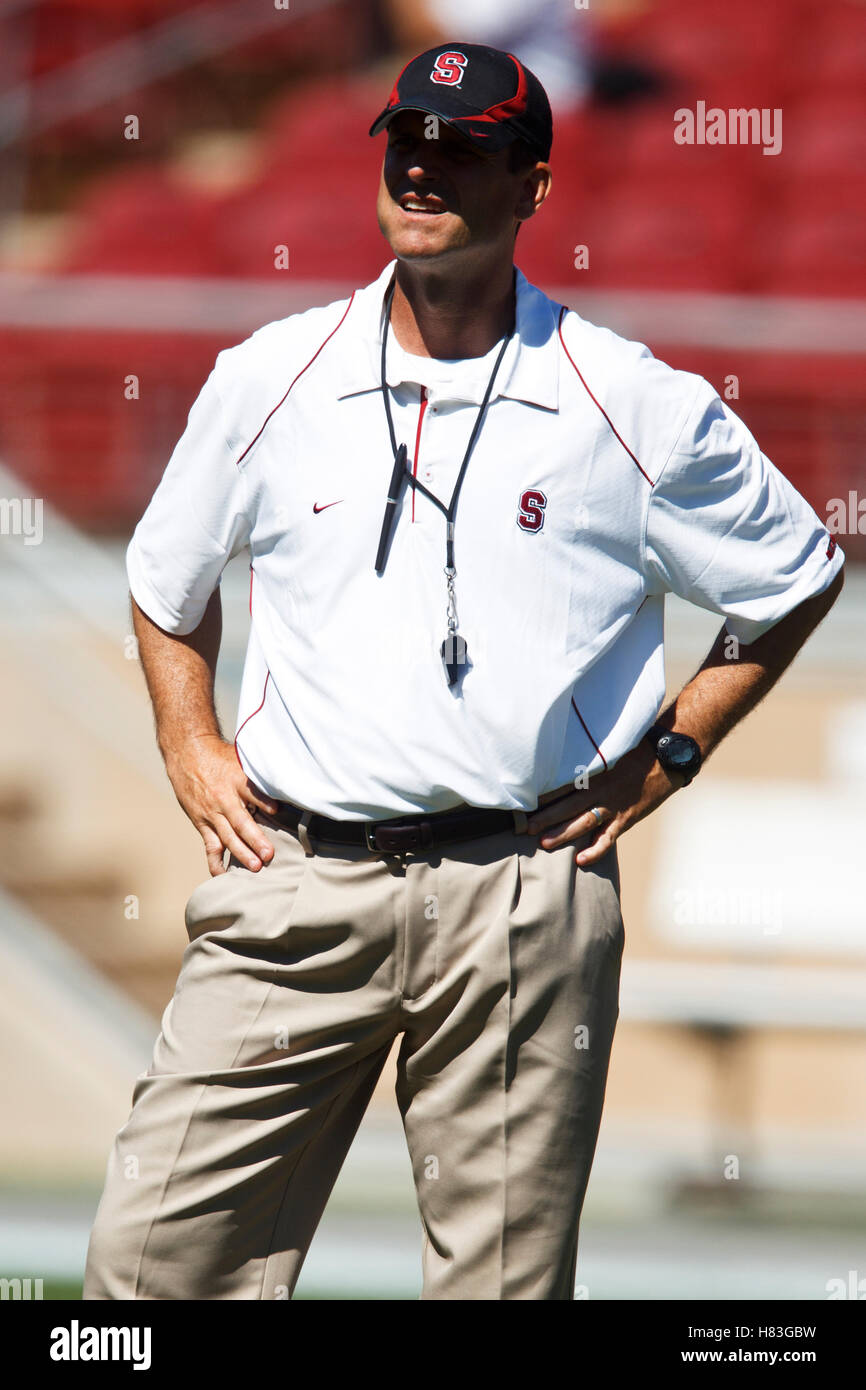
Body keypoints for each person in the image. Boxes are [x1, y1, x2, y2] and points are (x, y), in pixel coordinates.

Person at [83, 42, 844, 1301]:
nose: (424, 167)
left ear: (531, 184)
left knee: (500, 1294)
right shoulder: (267, 376)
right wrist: (186, 743)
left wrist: (668, 753)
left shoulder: (628, 398)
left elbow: (796, 574)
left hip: (520, 901)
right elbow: (167, 591)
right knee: (146, 1276)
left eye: (464, 147)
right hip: (292, 887)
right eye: (407, 141)